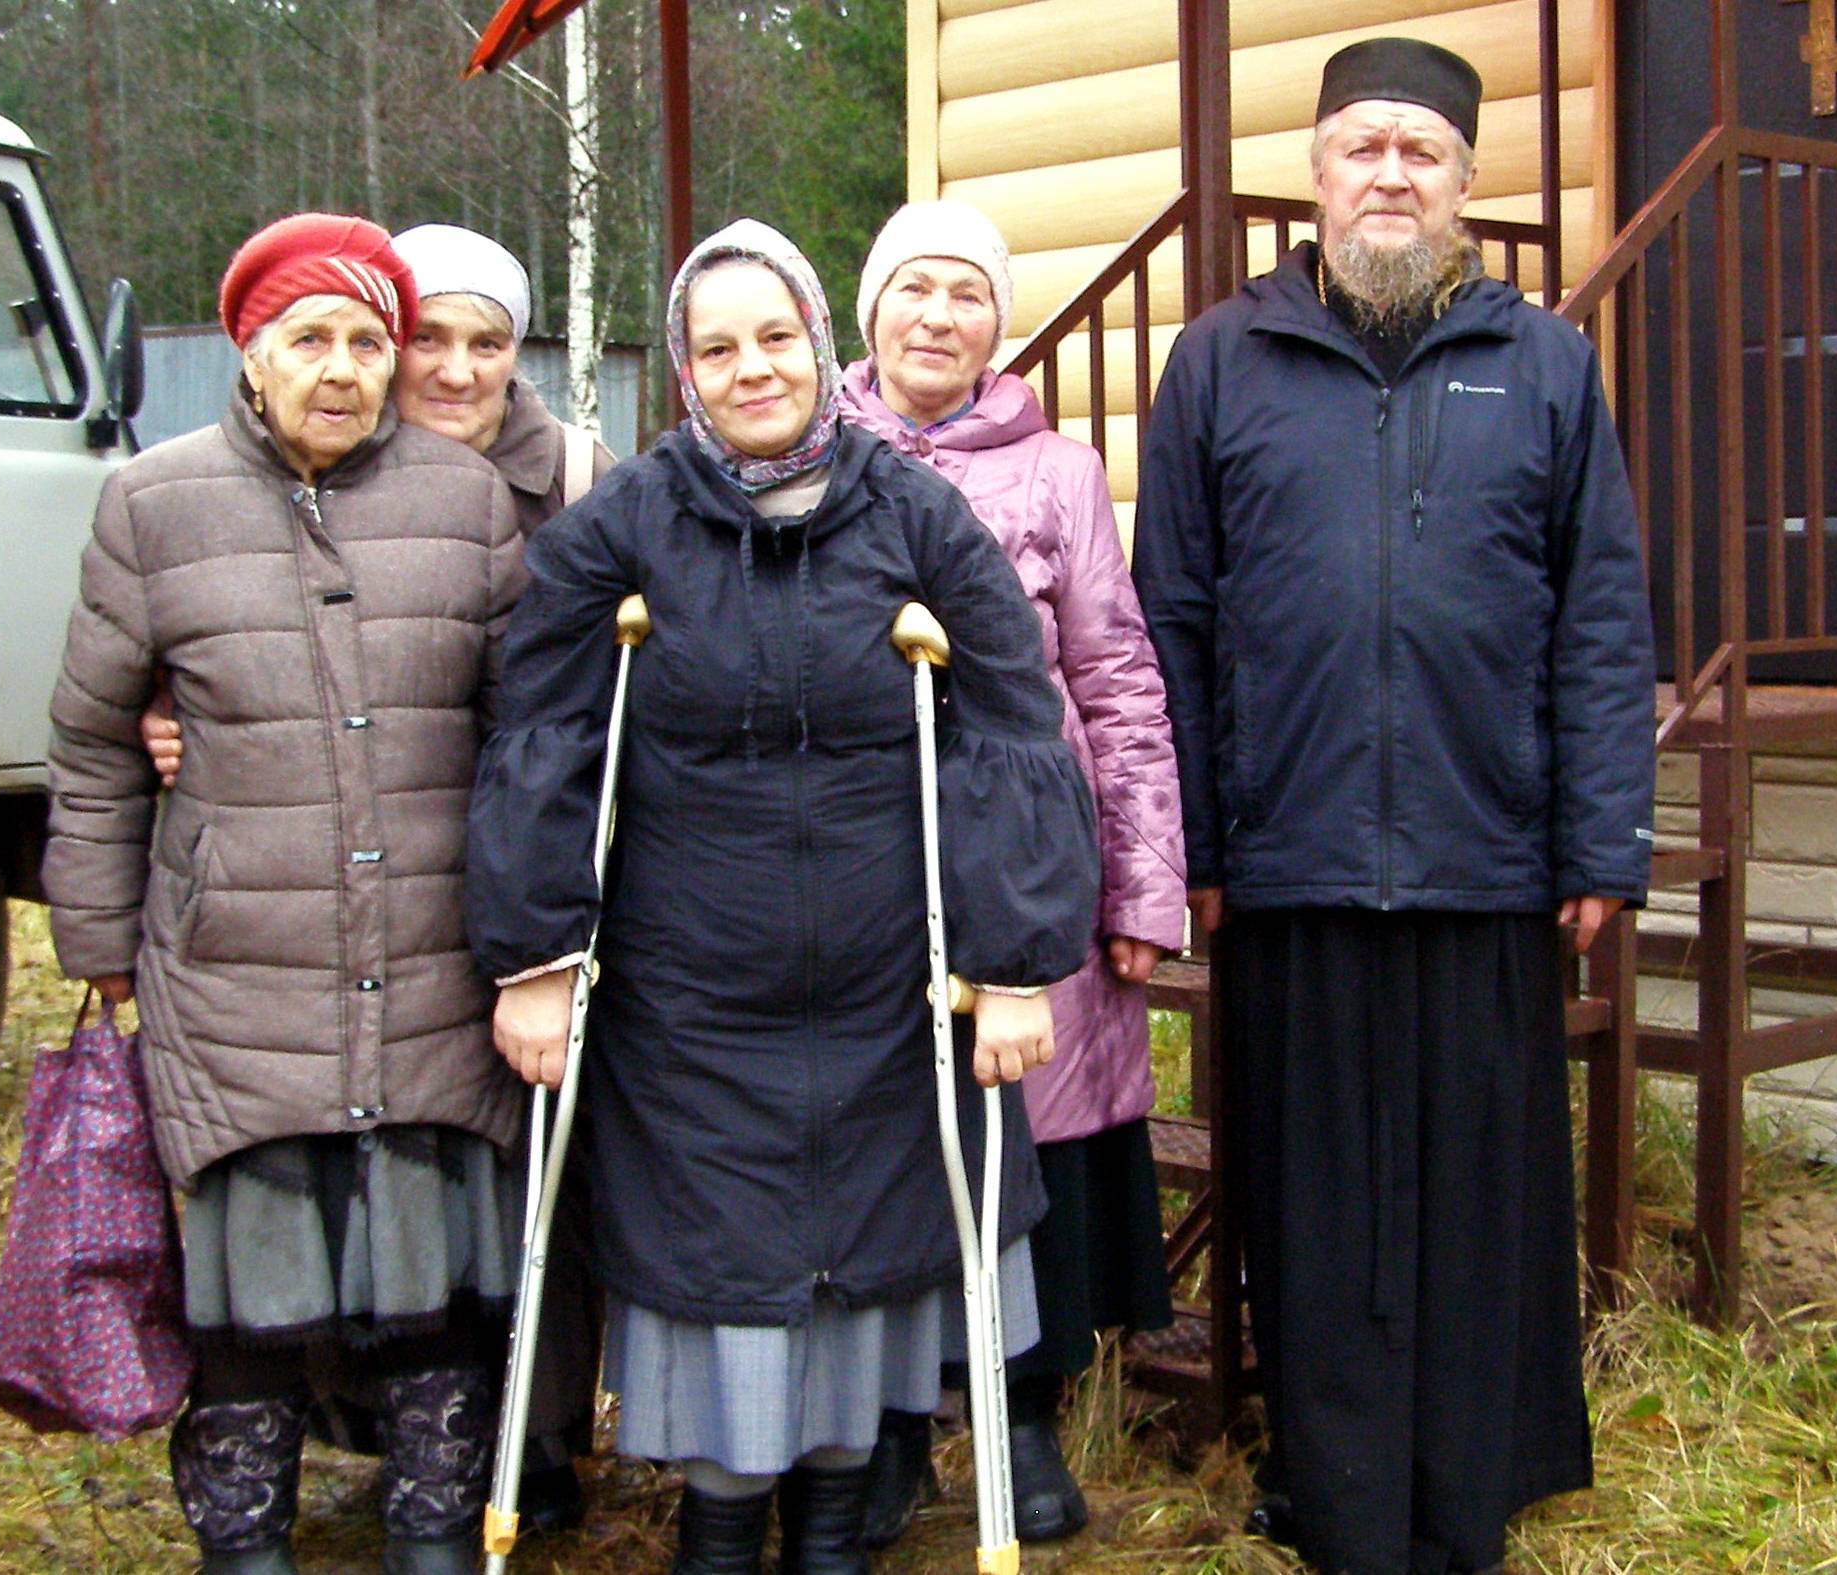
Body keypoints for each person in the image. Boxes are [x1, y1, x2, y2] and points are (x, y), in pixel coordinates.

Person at [465, 218, 1101, 1575]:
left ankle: (831, 1537)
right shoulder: (624, 525)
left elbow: (1008, 730)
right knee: (723, 1289)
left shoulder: (918, 516)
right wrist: (533, 961)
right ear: (685, 372)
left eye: (774, 338)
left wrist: (1015, 960)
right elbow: (543, 735)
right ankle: (717, 1531)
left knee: (865, 1276)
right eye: (716, 347)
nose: (752, 369)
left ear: (818, 342)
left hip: (888, 986)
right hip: (689, 997)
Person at [1131, 37, 1655, 1575]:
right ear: (1316, 170)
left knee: (1482, 1200)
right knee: (1314, 1203)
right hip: (1288, 866)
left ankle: (1465, 1489)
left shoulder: (1543, 362)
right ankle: (1336, 1490)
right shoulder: (1224, 359)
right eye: (1362, 146)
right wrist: (1196, 845)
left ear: (1468, 186)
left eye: (1421, 152)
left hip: (1486, 856)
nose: (1390, 176)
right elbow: (1173, 620)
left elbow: (1601, 617)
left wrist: (1602, 838)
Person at [42, 212, 529, 1575]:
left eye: (369, 341)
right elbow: (91, 739)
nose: (342, 368)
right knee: (247, 1283)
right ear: (247, 359)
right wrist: (100, 941)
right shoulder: (152, 502)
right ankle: (242, 1539)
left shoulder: (465, 500)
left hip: (433, 952)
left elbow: (528, 728)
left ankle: (434, 1526)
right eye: (308, 339)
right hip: (234, 959)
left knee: (435, 1269)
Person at [139, 220, 617, 1533]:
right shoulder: (238, 491)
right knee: (331, 1184)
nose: (453, 369)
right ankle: (364, 1454)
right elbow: (158, 649)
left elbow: (575, 699)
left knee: (503, 1196)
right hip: (312, 900)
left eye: (488, 343)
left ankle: (530, 1448)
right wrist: (182, 715)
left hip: (508, 889)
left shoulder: (562, 480)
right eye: (427, 340)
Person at [833, 199, 1184, 1547]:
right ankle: (885, 1432)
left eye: (967, 295)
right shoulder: (803, 449)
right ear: (870, 312)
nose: (938, 316)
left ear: (998, 324)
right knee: (880, 1150)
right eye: (914, 289)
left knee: (1017, 1143)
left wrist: (1143, 885)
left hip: (1028, 862)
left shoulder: (1057, 473)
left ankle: (1021, 1416)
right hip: (858, 868)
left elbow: (1115, 678)